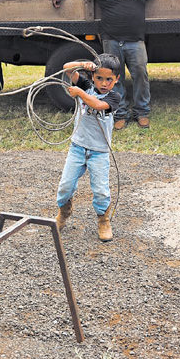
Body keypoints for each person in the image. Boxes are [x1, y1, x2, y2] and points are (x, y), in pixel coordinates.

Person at [52, 0, 180, 130]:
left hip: (135, 41)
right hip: (111, 41)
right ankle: (119, 113)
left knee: (141, 76)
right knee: (113, 78)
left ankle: (142, 112)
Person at [55, 53, 121, 242]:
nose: (103, 83)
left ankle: (103, 220)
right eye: (99, 78)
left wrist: (81, 94)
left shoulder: (114, 97)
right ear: (93, 76)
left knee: (101, 190)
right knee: (65, 186)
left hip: (99, 152)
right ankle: (64, 212)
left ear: (116, 80)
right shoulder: (86, 85)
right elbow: (67, 68)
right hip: (77, 147)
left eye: (109, 79)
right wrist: (83, 64)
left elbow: (99, 105)